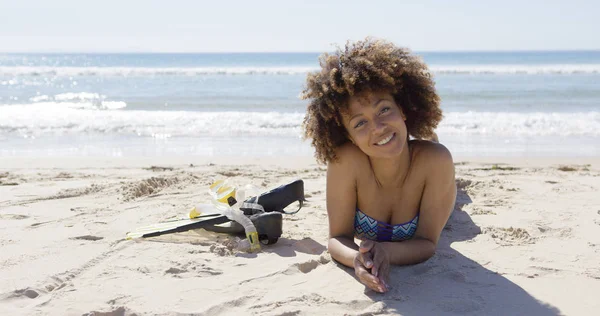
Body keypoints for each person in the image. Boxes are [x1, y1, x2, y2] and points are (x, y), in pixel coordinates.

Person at [302, 38, 456, 293]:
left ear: (403, 109)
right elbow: (336, 238)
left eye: (384, 109)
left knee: (456, 197)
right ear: (349, 136)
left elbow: (428, 242)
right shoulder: (346, 162)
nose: (377, 128)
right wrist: (357, 260)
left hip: (437, 186)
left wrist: (385, 252)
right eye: (360, 123)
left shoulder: (435, 162)